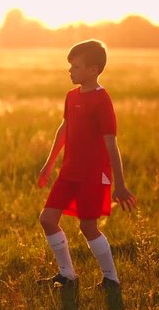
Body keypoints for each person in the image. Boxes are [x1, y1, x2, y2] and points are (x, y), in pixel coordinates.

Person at [37, 40, 137, 289]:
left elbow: (111, 144)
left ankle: (111, 279)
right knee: (47, 219)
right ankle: (67, 275)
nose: (70, 71)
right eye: (70, 66)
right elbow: (64, 129)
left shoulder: (102, 100)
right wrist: (49, 164)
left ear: (93, 69)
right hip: (69, 172)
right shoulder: (71, 96)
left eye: (76, 66)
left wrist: (120, 185)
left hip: (92, 175)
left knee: (88, 226)